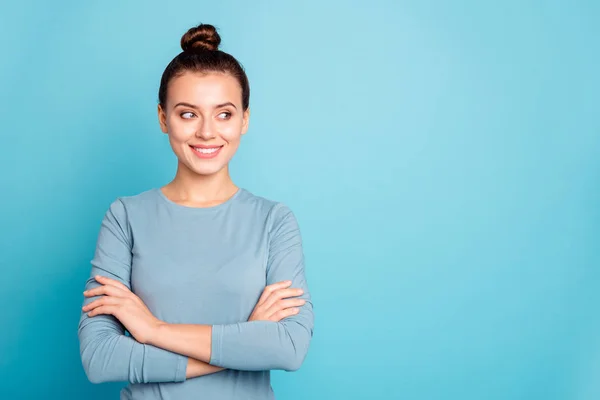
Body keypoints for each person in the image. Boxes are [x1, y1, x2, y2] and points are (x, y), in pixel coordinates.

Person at [77, 23, 314, 400]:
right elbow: (99, 357)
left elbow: (288, 346)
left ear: (244, 120)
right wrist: (243, 341)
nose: (207, 132)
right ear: (163, 118)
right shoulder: (125, 217)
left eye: (224, 114)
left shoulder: (274, 221)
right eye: (188, 114)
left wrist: (153, 330)